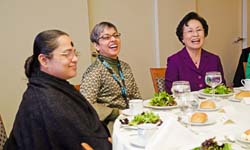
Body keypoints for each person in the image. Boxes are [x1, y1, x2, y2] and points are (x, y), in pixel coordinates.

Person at [4, 30, 112, 150]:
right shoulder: (46, 100)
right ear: (44, 60)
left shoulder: (54, 86)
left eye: (75, 53)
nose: (75, 59)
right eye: (67, 54)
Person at [80, 22, 141, 131]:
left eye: (116, 35)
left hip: (132, 119)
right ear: (96, 45)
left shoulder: (125, 67)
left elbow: (136, 96)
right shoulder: (94, 71)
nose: (113, 39)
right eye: (106, 37)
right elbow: (85, 105)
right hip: (109, 125)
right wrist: (115, 113)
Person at [165, 12, 226, 93]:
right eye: (190, 31)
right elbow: (170, 92)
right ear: (182, 37)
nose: (195, 34)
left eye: (199, 30)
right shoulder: (174, 61)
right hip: (185, 104)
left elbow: (222, 88)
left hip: (212, 104)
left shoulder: (214, 59)